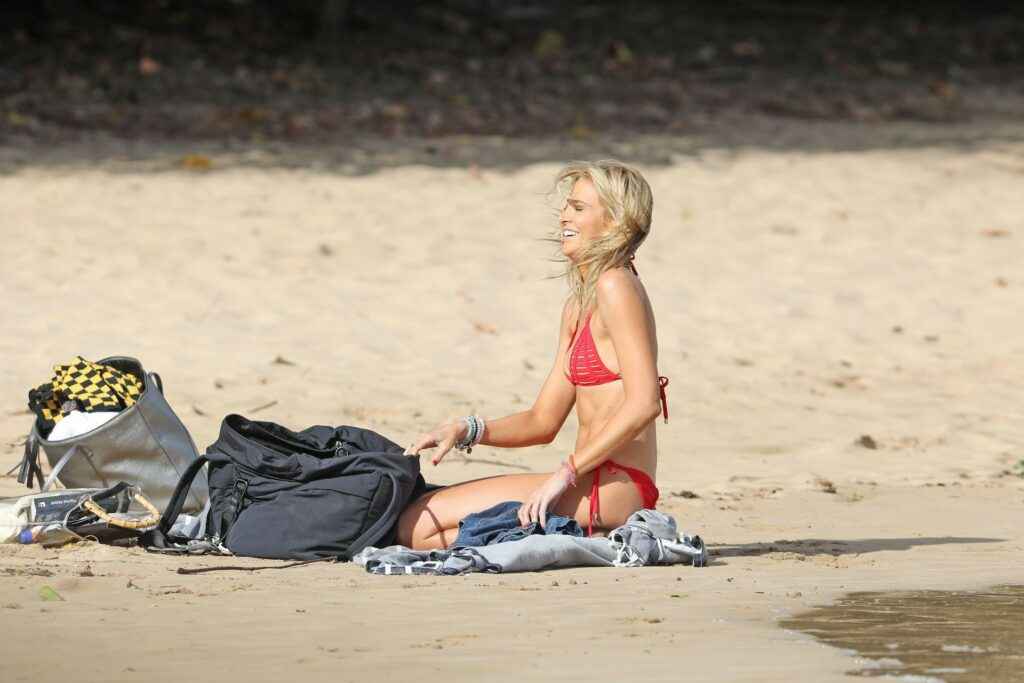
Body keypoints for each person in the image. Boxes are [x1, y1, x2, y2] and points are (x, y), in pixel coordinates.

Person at [398, 160, 668, 550]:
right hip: (589, 483)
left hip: (614, 488)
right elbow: (542, 421)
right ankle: (567, 538)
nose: (564, 216)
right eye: (566, 206)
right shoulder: (578, 306)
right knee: (422, 522)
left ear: (614, 222)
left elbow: (644, 403)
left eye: (578, 207)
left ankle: (576, 536)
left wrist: (564, 475)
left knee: (417, 525)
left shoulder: (617, 286)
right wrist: (466, 430)